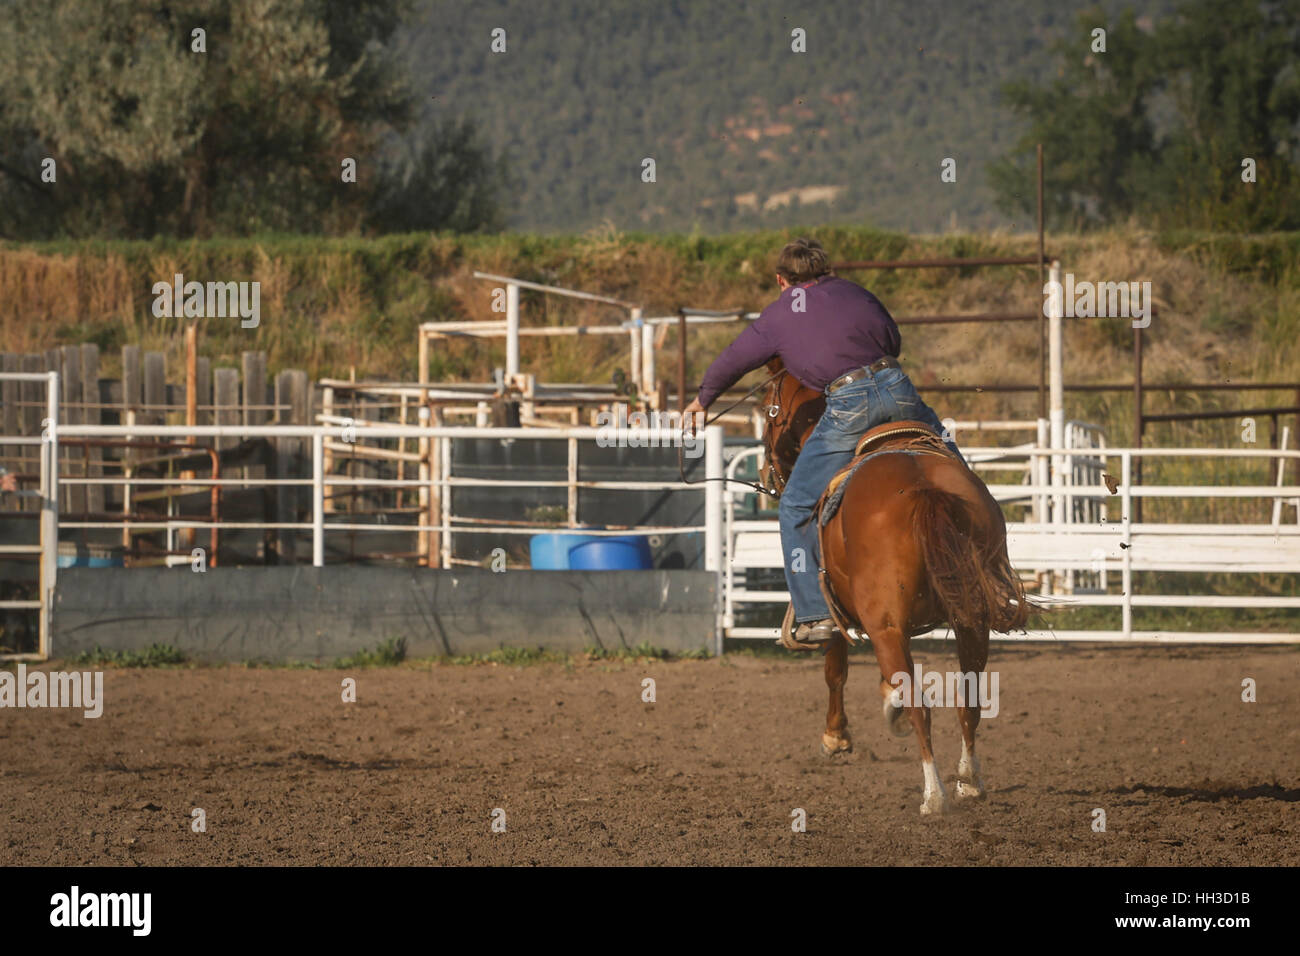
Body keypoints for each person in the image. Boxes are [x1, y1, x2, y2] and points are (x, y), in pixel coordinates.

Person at [683, 238, 959, 644]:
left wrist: (702, 399)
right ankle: (991, 577)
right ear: (825, 271)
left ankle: (813, 614)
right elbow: (892, 339)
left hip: (848, 403)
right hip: (899, 388)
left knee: (795, 504)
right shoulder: (856, 292)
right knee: (955, 471)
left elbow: (734, 359)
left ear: (782, 280)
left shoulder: (777, 317)